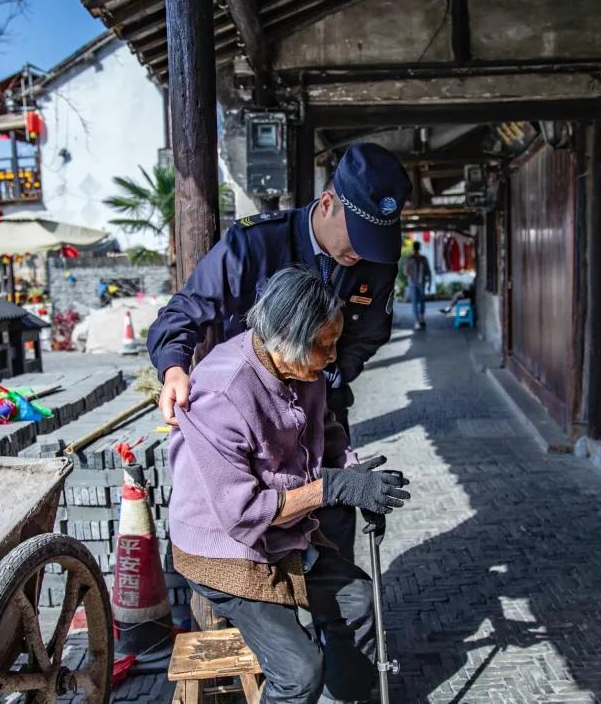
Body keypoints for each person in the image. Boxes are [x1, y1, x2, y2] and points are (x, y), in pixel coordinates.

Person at [147, 142, 412, 561]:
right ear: (328, 204)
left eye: (373, 243)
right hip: (250, 417)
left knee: (333, 534)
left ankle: (333, 621)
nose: (361, 254)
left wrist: (329, 375)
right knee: (257, 539)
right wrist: (175, 368)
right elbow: (184, 311)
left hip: (322, 410)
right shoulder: (255, 244)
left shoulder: (375, 258)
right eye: (357, 238)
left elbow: (370, 332)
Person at [168, 267, 410, 703]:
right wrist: (333, 489)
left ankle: (353, 695)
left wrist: (356, 476)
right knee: (299, 673)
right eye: (324, 345)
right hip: (226, 550)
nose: (333, 356)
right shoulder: (223, 392)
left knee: (358, 602)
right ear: (287, 339)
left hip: (286, 534)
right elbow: (243, 515)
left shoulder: (304, 370)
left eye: (335, 342)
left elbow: (328, 431)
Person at [403, 241, 431, 329]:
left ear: (413, 248)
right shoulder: (421, 258)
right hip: (418, 282)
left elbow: (405, 272)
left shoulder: (412, 258)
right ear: (419, 248)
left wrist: (410, 276)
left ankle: (418, 321)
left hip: (414, 282)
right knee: (420, 301)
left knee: (416, 302)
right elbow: (428, 272)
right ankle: (420, 319)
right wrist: (429, 283)